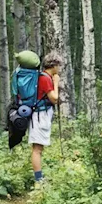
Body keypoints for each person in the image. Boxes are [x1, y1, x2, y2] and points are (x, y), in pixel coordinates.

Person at [29, 54, 61, 184]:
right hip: (39, 116)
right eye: (58, 65)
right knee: (37, 149)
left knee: (38, 148)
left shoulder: (42, 77)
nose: (59, 68)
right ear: (53, 66)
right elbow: (54, 98)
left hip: (39, 115)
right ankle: (39, 180)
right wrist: (56, 83)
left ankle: (39, 177)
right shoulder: (45, 79)